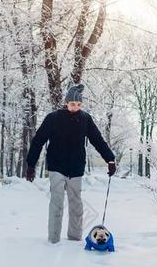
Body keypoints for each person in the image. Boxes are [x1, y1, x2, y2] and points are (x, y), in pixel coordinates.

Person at [25, 84, 117, 243]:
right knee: (57, 204)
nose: (75, 107)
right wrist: (31, 164)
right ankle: (53, 240)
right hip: (57, 167)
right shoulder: (53, 118)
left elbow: (97, 139)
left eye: (79, 105)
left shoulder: (86, 119)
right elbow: (38, 141)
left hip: (76, 169)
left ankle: (74, 240)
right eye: (73, 104)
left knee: (76, 206)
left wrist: (110, 158)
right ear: (66, 102)